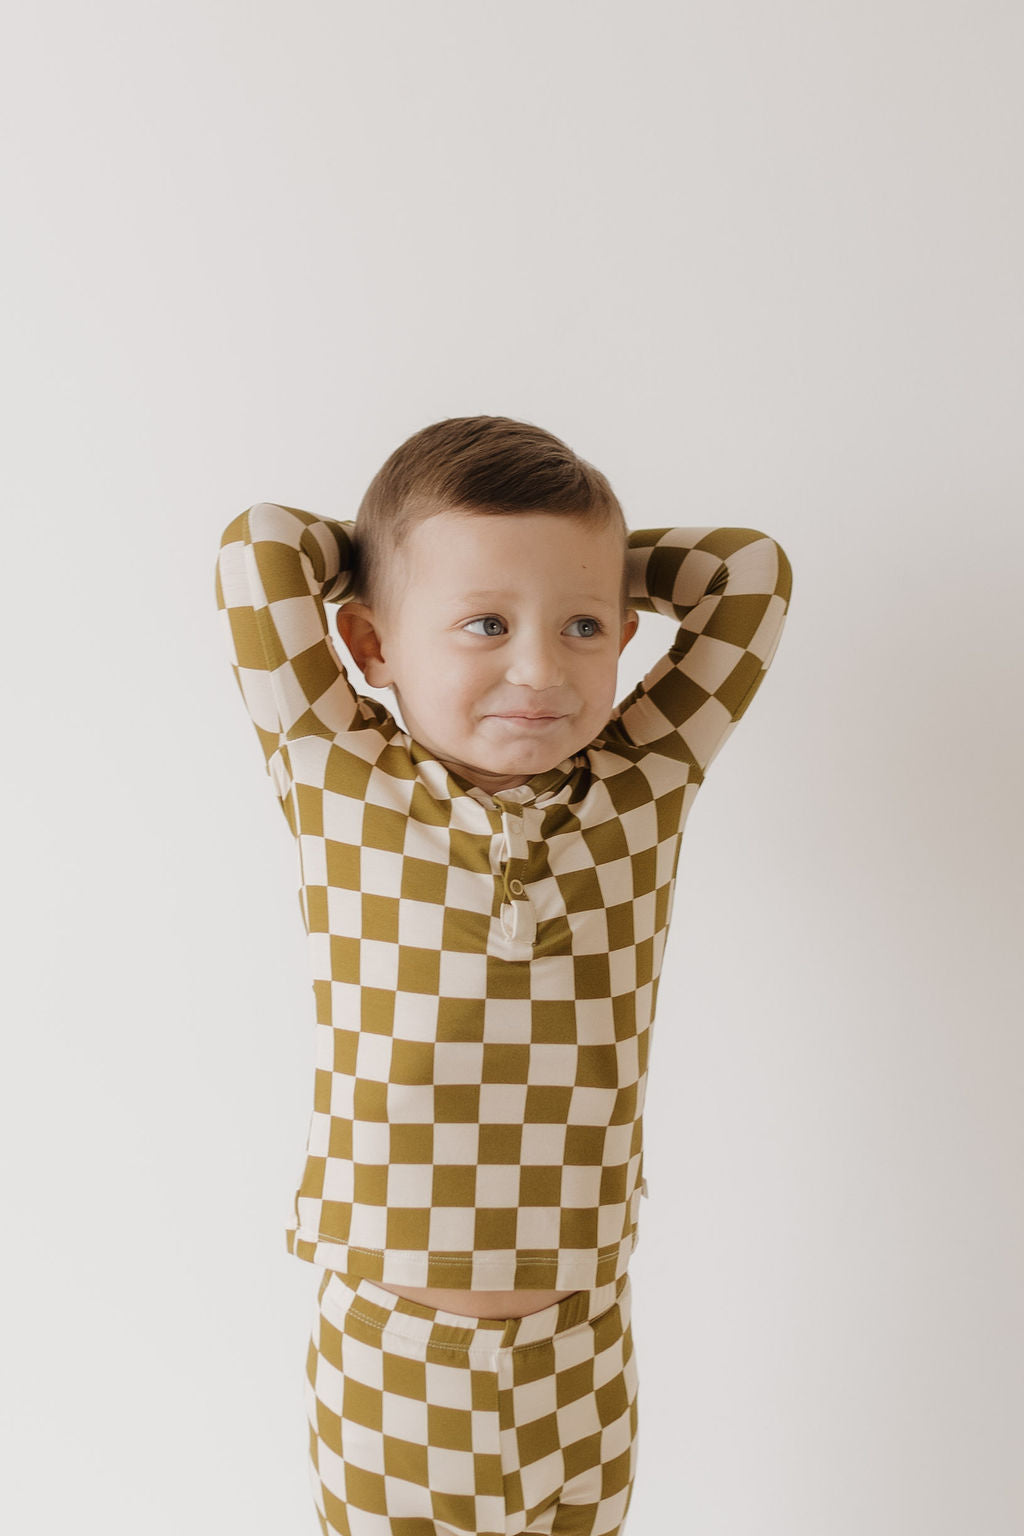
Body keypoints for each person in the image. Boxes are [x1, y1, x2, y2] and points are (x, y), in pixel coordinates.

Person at [213, 414, 792, 1536]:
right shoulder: (335, 770)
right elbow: (258, 547)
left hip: (580, 1343)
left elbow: (750, 574)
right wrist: (387, 551)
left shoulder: (644, 781)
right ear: (371, 645)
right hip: (391, 1349)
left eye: (584, 626)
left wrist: (582, 567)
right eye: (484, 622)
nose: (540, 669)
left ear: (624, 634)